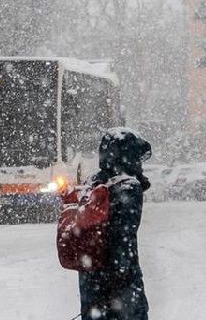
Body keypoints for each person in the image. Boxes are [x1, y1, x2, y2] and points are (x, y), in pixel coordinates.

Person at [78, 128, 151, 320]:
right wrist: (120, 277)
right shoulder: (128, 186)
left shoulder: (93, 183)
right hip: (121, 286)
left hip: (91, 280)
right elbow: (124, 237)